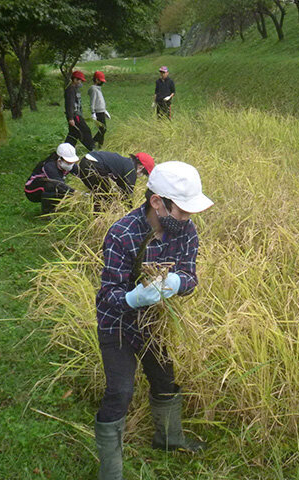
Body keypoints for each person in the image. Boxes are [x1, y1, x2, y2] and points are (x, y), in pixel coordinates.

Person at [94, 161, 213, 479]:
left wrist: (177, 283)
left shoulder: (185, 231)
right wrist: (132, 298)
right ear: (157, 202)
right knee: (120, 390)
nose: (188, 218)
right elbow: (108, 297)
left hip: (154, 321)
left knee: (165, 379)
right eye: (182, 210)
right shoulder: (122, 234)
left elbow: (190, 276)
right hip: (116, 321)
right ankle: (111, 472)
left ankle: (169, 441)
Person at [77, 151, 154, 208]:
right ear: (141, 167)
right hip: (93, 165)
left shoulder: (125, 163)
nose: (141, 175)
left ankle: (93, 213)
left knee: (101, 194)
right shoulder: (131, 170)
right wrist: (130, 210)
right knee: (105, 197)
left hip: (84, 162)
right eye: (144, 173)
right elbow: (127, 194)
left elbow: (122, 186)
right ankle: (99, 221)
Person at [24, 143, 80, 214]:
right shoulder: (49, 166)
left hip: (49, 185)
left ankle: (55, 208)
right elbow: (59, 185)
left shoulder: (69, 165)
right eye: (68, 162)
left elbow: (82, 175)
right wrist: (77, 193)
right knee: (54, 186)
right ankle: (46, 213)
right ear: (59, 159)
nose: (70, 164)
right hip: (32, 190)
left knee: (61, 189)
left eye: (72, 162)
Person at [65, 70, 94, 151]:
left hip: (76, 115)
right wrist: (71, 118)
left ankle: (66, 150)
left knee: (73, 135)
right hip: (75, 116)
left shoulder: (74, 89)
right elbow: (70, 104)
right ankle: (91, 148)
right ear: (75, 80)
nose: (81, 83)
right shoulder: (70, 90)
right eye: (80, 80)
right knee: (85, 130)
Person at [88, 71, 111, 148]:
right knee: (103, 129)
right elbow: (93, 101)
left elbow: (100, 101)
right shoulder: (94, 89)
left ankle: (100, 145)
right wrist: (93, 112)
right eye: (101, 81)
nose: (102, 82)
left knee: (103, 129)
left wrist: (105, 111)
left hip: (101, 111)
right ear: (96, 80)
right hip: (98, 112)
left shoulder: (98, 89)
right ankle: (92, 142)